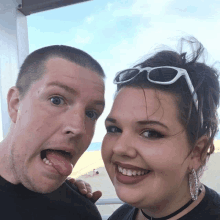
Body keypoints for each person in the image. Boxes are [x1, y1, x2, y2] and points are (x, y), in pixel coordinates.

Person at [101, 37, 220, 219]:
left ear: (197, 152)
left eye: (150, 133)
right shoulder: (121, 215)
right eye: (114, 129)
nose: (119, 148)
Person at [0, 45, 105, 219]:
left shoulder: (80, 213)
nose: (79, 128)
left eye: (91, 113)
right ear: (15, 103)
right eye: (56, 100)